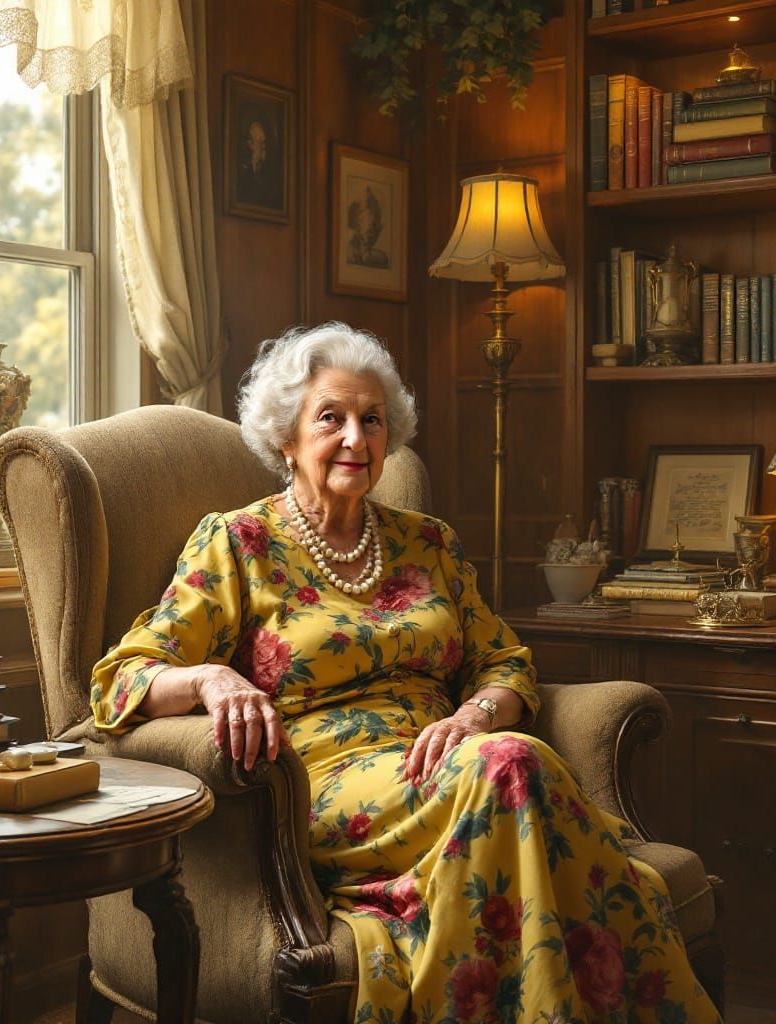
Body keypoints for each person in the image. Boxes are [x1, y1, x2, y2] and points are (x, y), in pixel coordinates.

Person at [90, 323, 722, 1023]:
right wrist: (213, 679)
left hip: (449, 759)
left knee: (505, 766)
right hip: (321, 784)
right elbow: (123, 677)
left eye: (372, 420)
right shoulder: (240, 543)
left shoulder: (429, 541)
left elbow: (504, 661)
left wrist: (472, 716)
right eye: (330, 418)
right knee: (514, 766)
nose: (355, 438)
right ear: (286, 437)